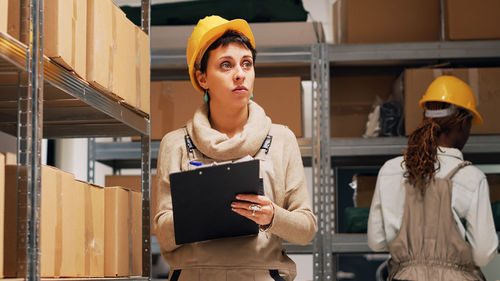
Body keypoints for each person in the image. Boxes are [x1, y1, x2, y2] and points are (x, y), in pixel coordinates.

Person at [153, 15, 317, 281]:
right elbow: (162, 233)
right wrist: (203, 211)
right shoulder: (175, 144)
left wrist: (271, 215)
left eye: (247, 64)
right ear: (202, 78)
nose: (240, 73)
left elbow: (307, 228)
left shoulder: (282, 139)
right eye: (226, 65)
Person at [367, 75, 498, 280]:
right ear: (462, 125)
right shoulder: (471, 178)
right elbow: (483, 254)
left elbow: (376, 242)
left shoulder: (390, 171)